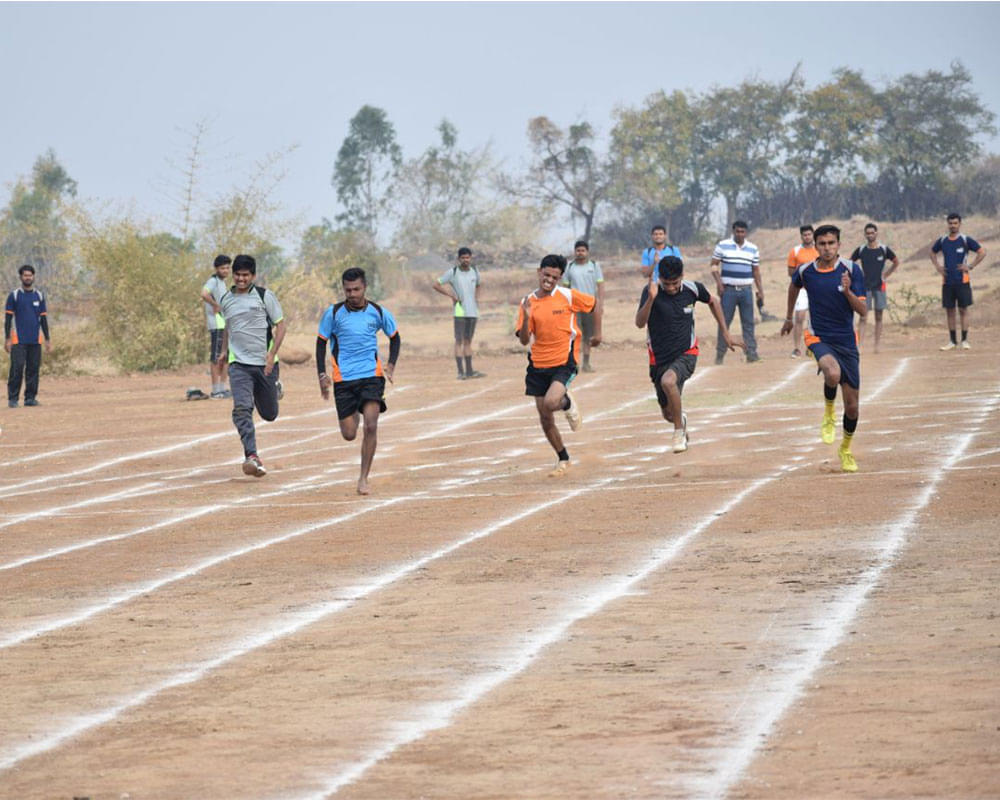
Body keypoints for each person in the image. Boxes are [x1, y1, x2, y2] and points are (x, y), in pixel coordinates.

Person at [635, 255, 744, 453]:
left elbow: (714, 301)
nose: (670, 288)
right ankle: (679, 420)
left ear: (682, 276)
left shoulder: (693, 289)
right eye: (666, 283)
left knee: (668, 381)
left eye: (675, 283)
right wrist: (651, 299)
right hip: (658, 358)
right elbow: (640, 323)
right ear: (660, 279)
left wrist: (725, 333)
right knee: (668, 413)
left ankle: (679, 433)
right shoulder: (651, 292)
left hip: (686, 353)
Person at [781, 224, 867, 473]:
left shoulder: (852, 270)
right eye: (822, 244)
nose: (827, 248)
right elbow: (793, 286)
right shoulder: (806, 270)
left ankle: (846, 449)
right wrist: (788, 317)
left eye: (831, 243)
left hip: (846, 341)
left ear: (839, 244)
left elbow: (863, 311)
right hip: (818, 336)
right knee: (832, 373)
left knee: (852, 407)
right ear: (815, 246)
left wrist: (848, 291)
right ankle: (829, 411)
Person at [317, 267, 401, 495]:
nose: (352, 294)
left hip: (371, 376)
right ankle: (354, 409)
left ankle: (363, 478)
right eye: (348, 290)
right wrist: (322, 375)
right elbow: (321, 342)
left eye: (356, 289)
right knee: (349, 434)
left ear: (364, 287)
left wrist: (391, 365)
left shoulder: (377, 311)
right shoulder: (333, 314)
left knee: (371, 425)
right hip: (343, 379)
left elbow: (394, 338)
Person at [516, 254, 599, 477]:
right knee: (544, 416)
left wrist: (597, 334)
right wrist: (525, 317)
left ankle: (567, 401)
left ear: (560, 278)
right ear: (538, 272)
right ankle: (563, 458)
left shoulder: (567, 296)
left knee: (552, 402)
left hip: (564, 361)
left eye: (555, 277)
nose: (549, 280)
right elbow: (524, 340)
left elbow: (594, 305)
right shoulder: (528, 302)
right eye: (546, 275)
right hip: (537, 364)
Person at [217, 254, 286, 478]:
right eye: (237, 275)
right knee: (242, 409)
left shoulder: (264, 296)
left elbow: (281, 326)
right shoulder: (226, 299)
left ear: (253, 276)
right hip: (239, 365)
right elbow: (229, 326)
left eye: (245, 275)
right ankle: (252, 456)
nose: (241, 279)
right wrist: (224, 350)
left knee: (269, 414)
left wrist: (272, 354)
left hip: (265, 365)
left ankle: (273, 389)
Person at [929, 213, 986, 351]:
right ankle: (952, 341)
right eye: (950, 223)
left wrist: (970, 266)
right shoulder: (943, 240)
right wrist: (938, 267)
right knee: (950, 311)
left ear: (960, 224)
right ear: (947, 224)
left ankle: (965, 340)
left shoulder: (965, 240)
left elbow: (982, 252)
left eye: (955, 223)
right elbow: (932, 252)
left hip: (962, 280)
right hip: (947, 281)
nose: (953, 226)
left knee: (963, 309)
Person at [711, 220, 762, 364]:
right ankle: (720, 355)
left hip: (746, 291)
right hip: (728, 291)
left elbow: (756, 271)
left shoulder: (753, 248)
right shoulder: (723, 245)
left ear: (746, 233)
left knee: (748, 323)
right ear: (733, 231)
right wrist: (719, 283)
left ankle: (751, 353)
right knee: (724, 323)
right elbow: (714, 266)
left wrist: (760, 290)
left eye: (743, 232)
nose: (740, 234)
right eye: (737, 231)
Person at [433, 246, 483, 379]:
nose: (465, 260)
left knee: (468, 341)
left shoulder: (475, 271)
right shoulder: (453, 272)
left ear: (470, 258)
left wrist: (476, 299)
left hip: (473, 312)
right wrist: (451, 295)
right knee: (459, 341)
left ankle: (470, 371)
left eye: (468, 257)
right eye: (463, 258)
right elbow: (436, 284)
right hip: (460, 312)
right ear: (458, 259)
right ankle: (460, 372)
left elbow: (478, 285)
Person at [5, 264, 50, 408]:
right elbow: (8, 319)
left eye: (30, 275)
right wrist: (7, 339)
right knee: (17, 368)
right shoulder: (15, 295)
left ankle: (30, 398)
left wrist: (47, 339)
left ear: (33, 277)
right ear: (20, 277)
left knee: (33, 369)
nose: (28, 278)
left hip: (35, 339)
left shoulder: (39, 295)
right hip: (18, 339)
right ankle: (13, 399)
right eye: (25, 275)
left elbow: (43, 319)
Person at [850, 223, 899, 353]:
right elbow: (850, 263)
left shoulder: (883, 249)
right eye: (868, 233)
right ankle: (860, 346)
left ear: (876, 233)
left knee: (879, 317)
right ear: (865, 234)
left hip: (879, 286)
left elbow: (896, 261)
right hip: (865, 287)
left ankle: (876, 346)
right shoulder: (861, 250)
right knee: (863, 316)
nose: (870, 235)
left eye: (872, 232)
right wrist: (857, 277)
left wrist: (886, 274)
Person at [562, 240, 605, 372]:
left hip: (590, 304)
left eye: (583, 251)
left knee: (588, 335)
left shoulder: (594, 266)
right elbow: (565, 287)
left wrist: (600, 303)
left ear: (587, 252)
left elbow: (600, 285)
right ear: (574, 252)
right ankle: (573, 362)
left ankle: (586, 363)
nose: (580, 253)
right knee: (574, 335)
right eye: (578, 251)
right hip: (574, 305)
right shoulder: (569, 267)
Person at [200, 254, 232, 398]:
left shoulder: (222, 282)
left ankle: (222, 388)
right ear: (216, 269)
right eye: (222, 268)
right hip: (217, 324)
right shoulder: (213, 281)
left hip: (224, 324)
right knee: (216, 357)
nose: (225, 270)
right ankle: (215, 390)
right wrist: (215, 305)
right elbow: (204, 293)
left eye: (227, 268)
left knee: (226, 357)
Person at [786, 224, 818, 358]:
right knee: (799, 317)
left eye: (809, 234)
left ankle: (812, 346)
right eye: (805, 235)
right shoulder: (795, 251)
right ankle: (796, 348)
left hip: (817, 289)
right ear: (801, 236)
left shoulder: (819, 249)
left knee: (815, 319)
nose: (807, 237)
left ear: (813, 235)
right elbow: (791, 272)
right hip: (802, 289)